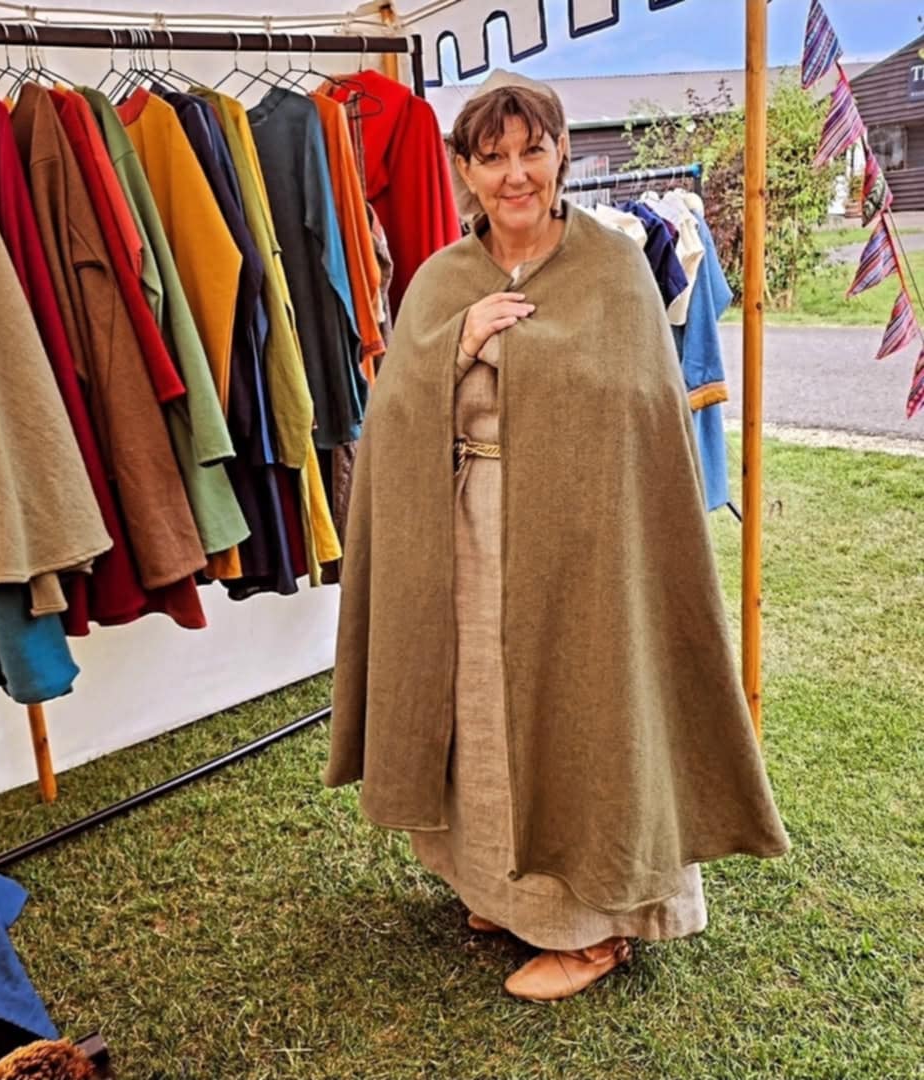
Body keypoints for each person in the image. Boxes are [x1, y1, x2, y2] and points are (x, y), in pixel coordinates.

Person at [324, 72, 790, 1003]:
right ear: (463, 171)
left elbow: (634, 412)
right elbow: (395, 408)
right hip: (466, 535)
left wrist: (525, 352)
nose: (513, 174)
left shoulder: (613, 268)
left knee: (582, 718)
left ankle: (592, 930)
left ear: (561, 154)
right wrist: (458, 341)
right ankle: (503, 894)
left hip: (586, 550)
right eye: (491, 157)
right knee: (483, 720)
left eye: (530, 151)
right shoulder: (441, 280)